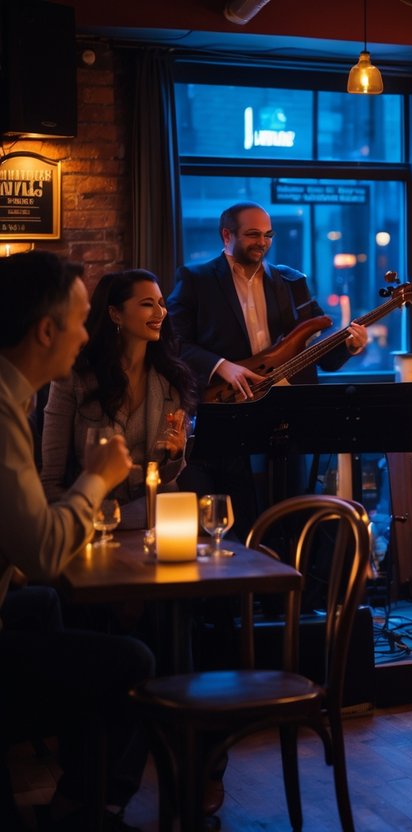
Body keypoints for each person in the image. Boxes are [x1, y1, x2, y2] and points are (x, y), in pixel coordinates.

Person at [0, 250, 153, 831]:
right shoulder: (6, 407)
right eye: (81, 319)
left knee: (48, 606)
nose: (86, 335)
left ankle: (77, 798)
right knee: (130, 659)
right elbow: (40, 552)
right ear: (45, 330)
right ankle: (89, 804)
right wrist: (99, 478)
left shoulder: (18, 394)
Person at [167, 201, 368, 535]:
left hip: (287, 417)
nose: (262, 242)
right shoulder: (196, 278)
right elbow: (173, 342)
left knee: (289, 515)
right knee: (237, 517)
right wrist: (222, 367)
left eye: (268, 234)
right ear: (226, 235)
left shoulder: (291, 281)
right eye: (252, 234)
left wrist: (348, 345)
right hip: (229, 408)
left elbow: (320, 352)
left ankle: (286, 580)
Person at [41, 269, 193, 529]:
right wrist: (71, 528)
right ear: (115, 314)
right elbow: (52, 479)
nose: (160, 313)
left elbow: (167, 480)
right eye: (147, 304)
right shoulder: (75, 378)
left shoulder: (172, 379)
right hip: (92, 521)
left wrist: (176, 454)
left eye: (161, 303)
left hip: (156, 521)